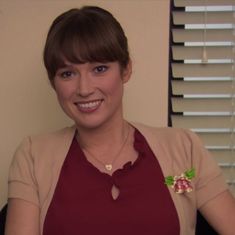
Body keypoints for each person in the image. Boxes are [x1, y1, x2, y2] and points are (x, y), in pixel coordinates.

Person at [5, 6, 235, 235]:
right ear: (53, 81)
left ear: (126, 70)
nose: (84, 89)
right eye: (67, 73)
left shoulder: (184, 151)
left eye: (100, 69)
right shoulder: (33, 156)